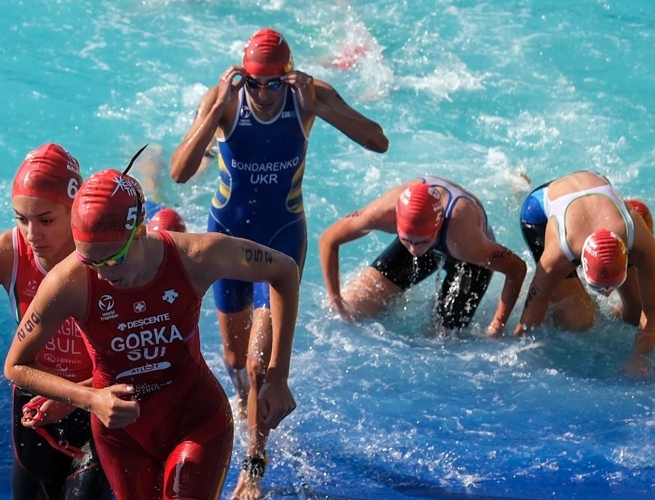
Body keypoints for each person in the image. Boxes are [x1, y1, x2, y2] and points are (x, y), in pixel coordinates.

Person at [169, 27, 389, 498]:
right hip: (227, 238)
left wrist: (322, 107)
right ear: (243, 77)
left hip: (283, 240)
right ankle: (250, 405)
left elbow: (378, 142)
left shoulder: (308, 97)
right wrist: (214, 112)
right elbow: (180, 171)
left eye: (274, 83)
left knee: (260, 366)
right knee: (232, 358)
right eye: (255, 83)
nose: (264, 94)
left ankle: (254, 464)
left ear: (288, 77)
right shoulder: (225, 99)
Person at [4, 162, 300, 500]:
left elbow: (285, 271)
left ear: (140, 230)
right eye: (91, 262)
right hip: (122, 438)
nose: (103, 276)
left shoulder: (197, 256)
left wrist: (277, 376)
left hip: (197, 422)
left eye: (112, 260)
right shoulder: (68, 282)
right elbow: (16, 365)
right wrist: (88, 398)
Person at [0, 143, 112, 499]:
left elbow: (140, 355)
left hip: (99, 396)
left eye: (45, 220)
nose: (32, 235)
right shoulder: (2, 254)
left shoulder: (106, 256)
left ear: (74, 210)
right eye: (21, 218)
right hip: (35, 401)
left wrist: (79, 395)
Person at [319, 176, 527, 336]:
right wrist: (336, 299)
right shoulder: (383, 213)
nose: (414, 251)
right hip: (429, 233)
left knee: (441, 341)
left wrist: (497, 326)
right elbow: (328, 239)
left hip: (468, 260)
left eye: (421, 243)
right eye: (407, 241)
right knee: (351, 308)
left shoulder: (465, 240)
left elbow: (517, 269)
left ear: (437, 227)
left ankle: (517, 187)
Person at [515, 171, 655, 379]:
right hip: (539, 213)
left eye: (610, 287)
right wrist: (518, 352)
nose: (606, 295)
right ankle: (518, 190)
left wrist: (638, 357)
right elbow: (530, 314)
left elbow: (652, 310)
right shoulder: (560, 253)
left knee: (636, 315)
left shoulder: (636, 237)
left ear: (626, 255)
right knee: (578, 321)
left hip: (593, 189)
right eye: (599, 287)